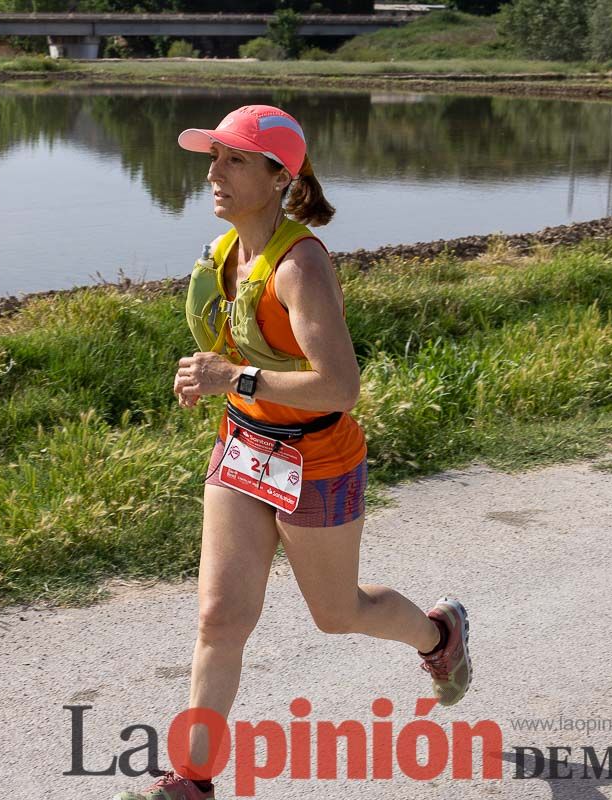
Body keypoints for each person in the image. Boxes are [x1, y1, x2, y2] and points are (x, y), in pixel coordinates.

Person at [113, 105, 471, 800]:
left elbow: (339, 387)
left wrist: (233, 377)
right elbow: (245, 347)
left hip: (316, 459)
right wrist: (205, 372)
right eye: (213, 158)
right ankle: (194, 779)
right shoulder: (224, 254)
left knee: (336, 614)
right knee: (220, 617)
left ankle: (437, 636)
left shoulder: (300, 264)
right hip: (245, 445)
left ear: (281, 175)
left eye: (235, 160)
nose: (214, 173)